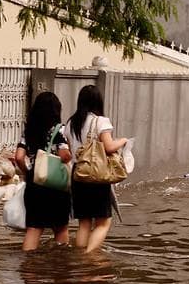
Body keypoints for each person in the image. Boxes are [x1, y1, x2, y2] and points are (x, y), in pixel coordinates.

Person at [64, 85, 128, 253]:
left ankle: (79, 256)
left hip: (78, 174)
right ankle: (88, 256)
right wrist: (123, 141)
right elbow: (108, 147)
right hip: (96, 175)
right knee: (103, 222)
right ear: (97, 101)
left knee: (84, 223)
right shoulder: (100, 121)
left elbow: (71, 151)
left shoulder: (71, 123)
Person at [14, 92, 72, 251]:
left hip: (35, 181)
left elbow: (19, 157)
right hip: (55, 184)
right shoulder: (60, 130)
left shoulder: (29, 131)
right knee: (60, 228)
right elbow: (64, 156)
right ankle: (59, 265)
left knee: (34, 228)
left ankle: (28, 268)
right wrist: (70, 154)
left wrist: (27, 173)